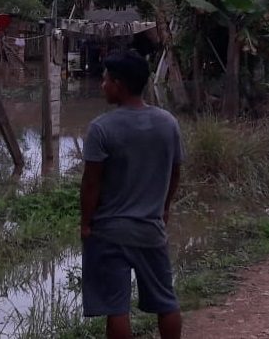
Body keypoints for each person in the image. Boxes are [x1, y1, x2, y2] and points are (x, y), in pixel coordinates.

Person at [80, 50, 184, 339]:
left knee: (117, 308)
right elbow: (175, 172)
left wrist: (86, 223)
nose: (102, 86)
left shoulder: (101, 128)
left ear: (119, 84)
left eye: (105, 80)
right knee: (166, 301)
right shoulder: (168, 123)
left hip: (110, 231)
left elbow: (91, 183)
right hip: (151, 229)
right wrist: (164, 208)